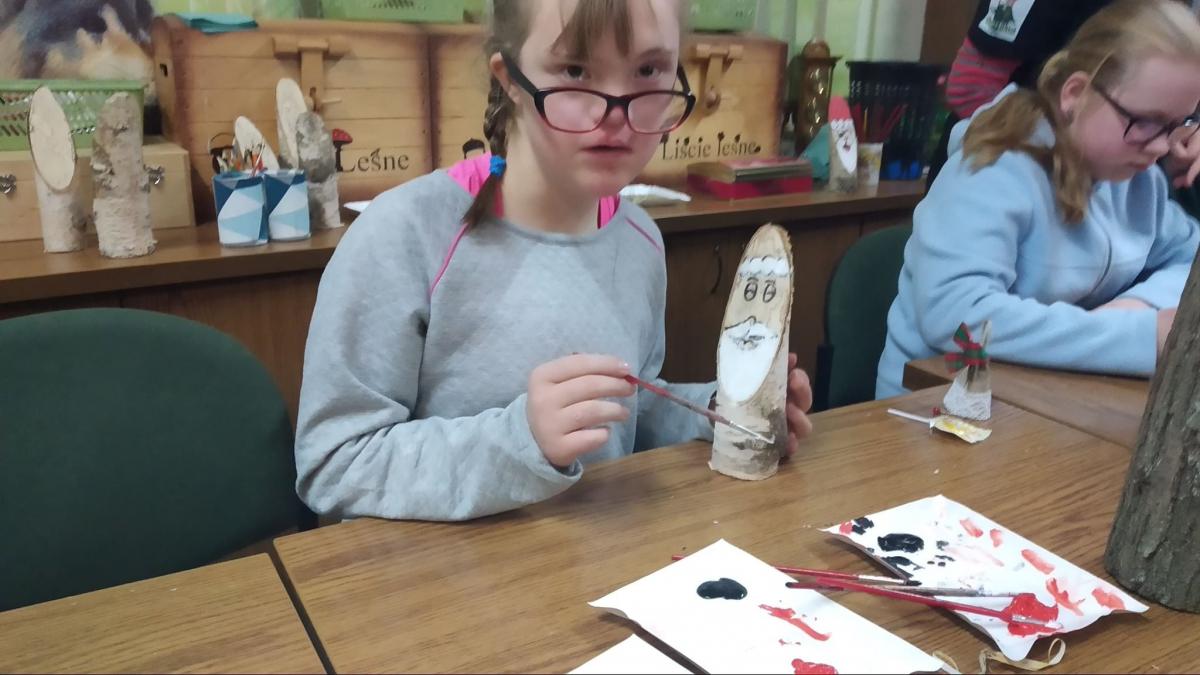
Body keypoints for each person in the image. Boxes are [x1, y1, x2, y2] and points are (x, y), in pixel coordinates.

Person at [295, 0, 814, 521]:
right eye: (575, 70)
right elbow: (334, 463)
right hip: (446, 571)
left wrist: (717, 413)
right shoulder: (404, 235)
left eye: (648, 71)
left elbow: (626, 409)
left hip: (601, 562)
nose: (616, 114)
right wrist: (519, 441)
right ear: (510, 79)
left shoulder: (641, 241)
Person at [876, 0, 1200, 399]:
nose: (1162, 147)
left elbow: (1191, 258)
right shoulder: (993, 167)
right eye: (1145, 121)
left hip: (1045, 395)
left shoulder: (1136, 180)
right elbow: (955, 316)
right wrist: (1137, 336)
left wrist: (1136, 306)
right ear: (1075, 93)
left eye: (1179, 124)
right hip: (934, 405)